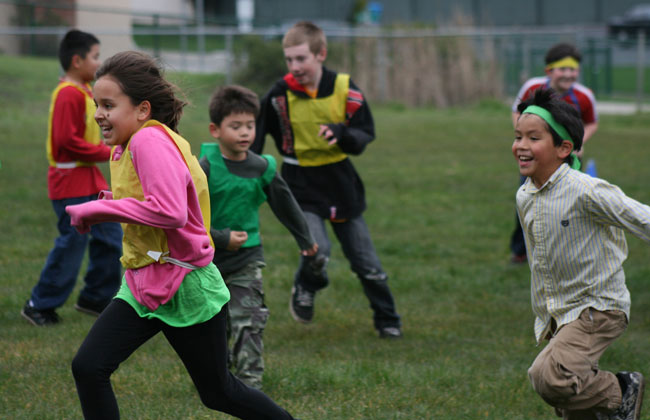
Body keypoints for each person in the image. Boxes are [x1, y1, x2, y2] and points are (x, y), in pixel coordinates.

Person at [66, 51, 298, 420]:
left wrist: (100, 210)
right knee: (89, 367)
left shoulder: (149, 142)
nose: (98, 114)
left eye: (109, 104)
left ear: (142, 109)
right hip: (144, 282)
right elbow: (153, 201)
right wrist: (112, 202)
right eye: (97, 104)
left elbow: (170, 212)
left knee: (219, 392)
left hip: (185, 286)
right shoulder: (125, 145)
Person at [253, 21, 402, 338]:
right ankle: (306, 285)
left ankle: (388, 320)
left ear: (321, 54)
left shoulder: (345, 88)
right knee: (317, 252)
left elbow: (365, 134)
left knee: (367, 263)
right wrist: (245, 168)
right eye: (289, 59)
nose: (295, 67)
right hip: (299, 183)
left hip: (340, 181)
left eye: (301, 59)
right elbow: (256, 133)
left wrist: (341, 132)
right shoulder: (280, 94)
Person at [513, 87, 645, 420]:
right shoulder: (525, 196)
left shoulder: (586, 190)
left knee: (548, 377)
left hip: (598, 306)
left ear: (564, 148)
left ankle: (621, 390)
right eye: (518, 136)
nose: (521, 146)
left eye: (533, 138)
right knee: (571, 398)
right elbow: (539, 260)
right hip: (560, 312)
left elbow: (640, 216)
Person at [199, 85, 317, 389]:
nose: (244, 133)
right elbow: (188, 218)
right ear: (215, 129)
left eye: (250, 126)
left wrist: (305, 239)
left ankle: (250, 383)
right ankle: (219, 378)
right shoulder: (205, 168)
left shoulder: (262, 167)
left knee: (248, 320)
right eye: (235, 126)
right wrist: (221, 238)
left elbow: (285, 204)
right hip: (206, 261)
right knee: (214, 325)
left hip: (247, 259)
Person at [21, 29, 122, 326]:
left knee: (111, 236)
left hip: (90, 180)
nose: (98, 61)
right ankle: (39, 304)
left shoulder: (86, 91)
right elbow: (66, 142)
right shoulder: (68, 94)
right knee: (71, 243)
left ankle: (96, 297)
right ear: (77, 61)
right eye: (95, 56)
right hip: (70, 183)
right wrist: (108, 152)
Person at [509, 43, 598, 264]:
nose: (569, 74)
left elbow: (591, 122)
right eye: (563, 69)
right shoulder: (533, 87)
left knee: (568, 204)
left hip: (569, 157)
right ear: (549, 71)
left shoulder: (584, 96)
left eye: (573, 69)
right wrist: (525, 139)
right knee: (527, 200)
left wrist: (578, 142)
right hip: (536, 158)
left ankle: (566, 251)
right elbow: (517, 112)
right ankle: (521, 250)